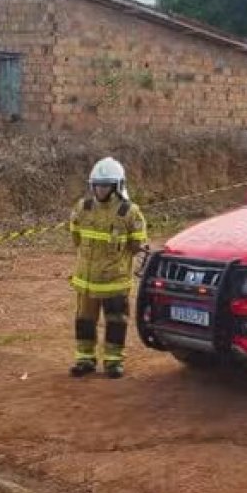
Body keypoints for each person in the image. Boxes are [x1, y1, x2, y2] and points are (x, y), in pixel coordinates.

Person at [69, 157, 148, 379]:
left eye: (105, 185)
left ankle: (114, 361)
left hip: (115, 282)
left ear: (117, 186)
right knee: (84, 320)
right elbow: (76, 237)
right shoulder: (82, 208)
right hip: (86, 282)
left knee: (116, 321)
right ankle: (84, 359)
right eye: (97, 185)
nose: (100, 189)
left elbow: (136, 244)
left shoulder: (130, 212)